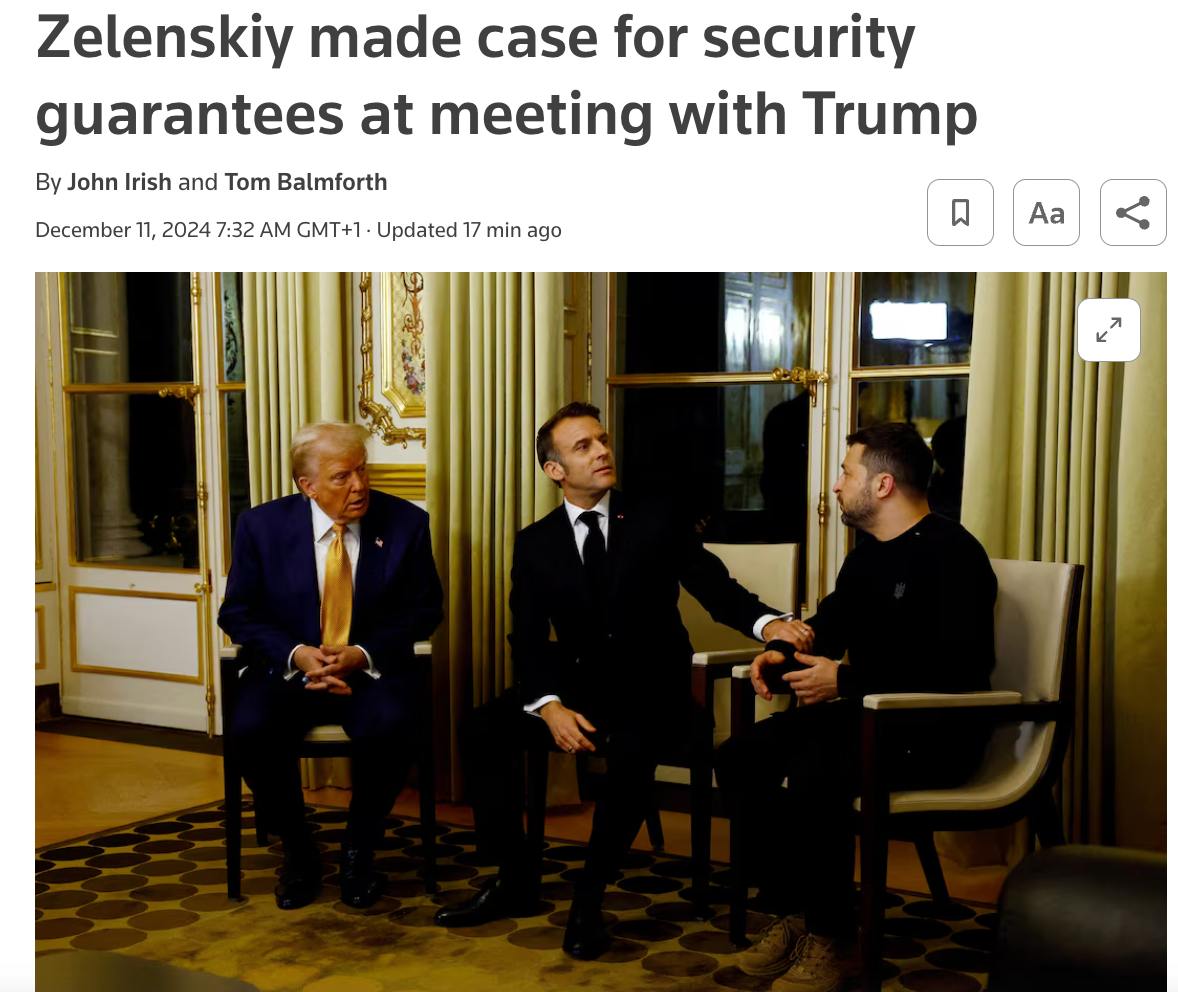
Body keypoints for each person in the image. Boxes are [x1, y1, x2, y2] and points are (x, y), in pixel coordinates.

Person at [434, 401, 797, 959]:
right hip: (579, 690)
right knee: (482, 728)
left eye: (602, 440)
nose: (602, 451)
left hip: (657, 691)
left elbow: (717, 590)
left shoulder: (655, 518)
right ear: (554, 469)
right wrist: (549, 705)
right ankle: (514, 877)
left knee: (631, 748)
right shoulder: (535, 543)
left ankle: (589, 898)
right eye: (583, 446)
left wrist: (769, 623)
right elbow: (525, 638)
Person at [715, 421, 996, 992]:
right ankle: (795, 913)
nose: (837, 485)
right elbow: (828, 625)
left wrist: (845, 679)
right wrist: (776, 655)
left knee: (816, 770)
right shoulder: (866, 559)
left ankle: (833, 939)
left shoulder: (955, 554)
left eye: (846, 473)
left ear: (883, 485)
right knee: (740, 756)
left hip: (935, 732)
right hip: (863, 721)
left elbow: (958, 670)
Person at [219, 422, 443, 911]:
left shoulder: (406, 523)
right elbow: (237, 612)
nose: (359, 485)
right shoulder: (260, 526)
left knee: (393, 725)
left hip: (368, 672)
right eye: (342, 476)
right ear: (308, 485)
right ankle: (299, 850)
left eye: (362, 470)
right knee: (249, 730)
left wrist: (361, 654)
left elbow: (425, 610)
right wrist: (297, 654)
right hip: (290, 672)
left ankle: (359, 850)